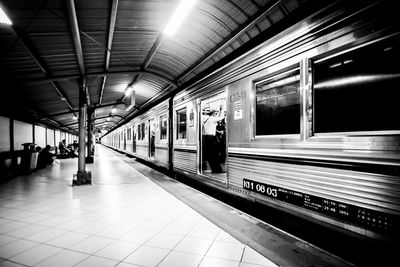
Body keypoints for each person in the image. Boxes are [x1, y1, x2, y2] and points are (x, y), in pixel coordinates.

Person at [203, 105, 225, 173]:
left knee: (210, 155)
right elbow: (221, 117)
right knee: (215, 154)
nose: (216, 115)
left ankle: (214, 169)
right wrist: (221, 109)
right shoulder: (212, 119)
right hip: (211, 138)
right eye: (215, 113)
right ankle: (217, 170)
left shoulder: (207, 119)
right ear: (213, 114)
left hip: (206, 138)